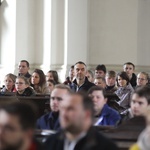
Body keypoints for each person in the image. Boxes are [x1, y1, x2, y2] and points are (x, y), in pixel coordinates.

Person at [44, 92, 119, 150]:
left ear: (86, 114)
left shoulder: (105, 147)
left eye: (70, 109)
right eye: (63, 108)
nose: (64, 114)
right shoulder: (51, 142)